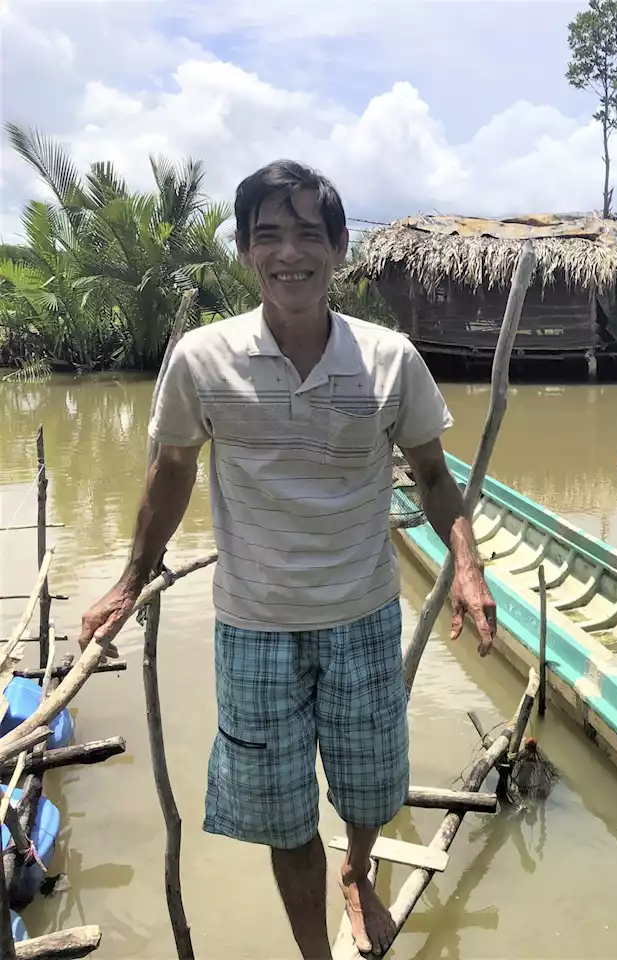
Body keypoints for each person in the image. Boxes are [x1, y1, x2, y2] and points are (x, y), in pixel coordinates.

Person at [77, 159, 497, 959]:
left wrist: (468, 570)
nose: (288, 253)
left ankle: (360, 868)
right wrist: (129, 577)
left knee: (371, 787)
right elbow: (170, 472)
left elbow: (436, 477)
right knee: (281, 814)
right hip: (254, 625)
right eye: (267, 235)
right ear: (244, 251)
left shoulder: (389, 359)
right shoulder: (203, 359)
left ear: (339, 248)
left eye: (308, 233)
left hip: (364, 615)